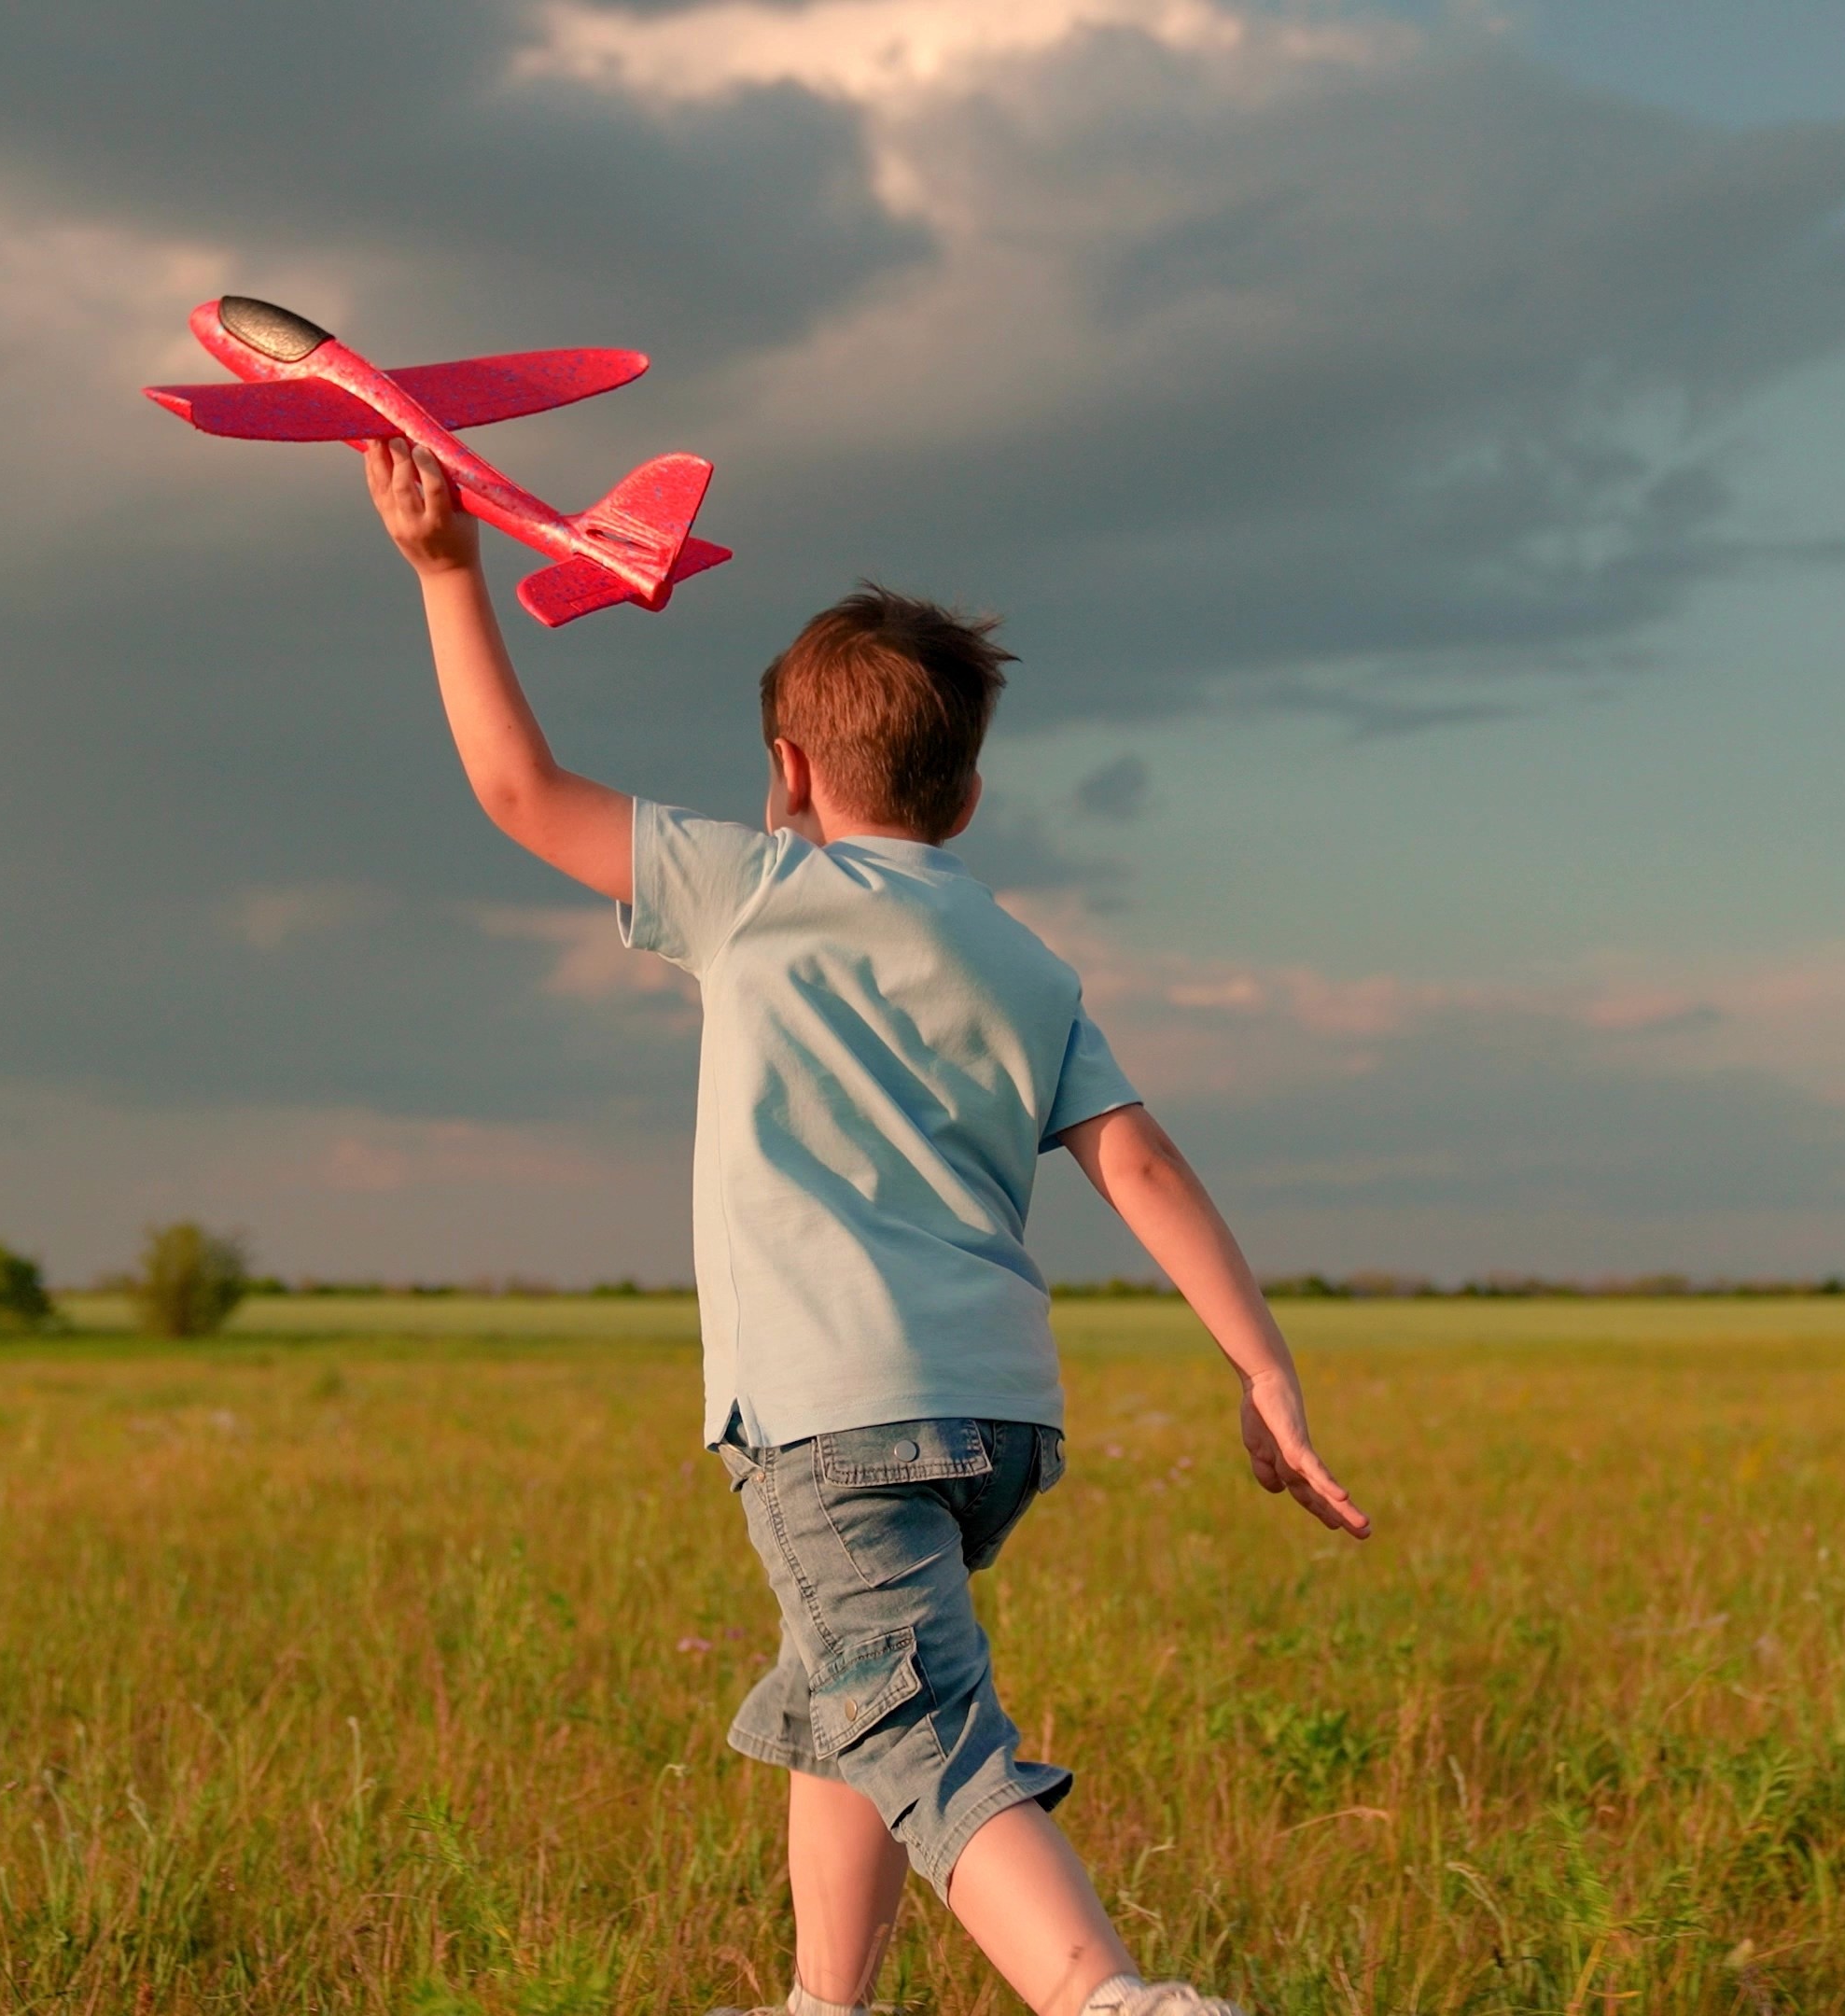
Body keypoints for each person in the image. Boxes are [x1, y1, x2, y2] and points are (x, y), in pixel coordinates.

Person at [356, 440, 1375, 2016]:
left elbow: (515, 788)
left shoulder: (754, 889)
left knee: (921, 1731)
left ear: (785, 770)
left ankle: (1112, 1998)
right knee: (845, 1702)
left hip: (832, 1419)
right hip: (997, 1425)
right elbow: (1147, 1167)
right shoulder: (1029, 961)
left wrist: (443, 572)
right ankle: (826, 2007)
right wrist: (1264, 1369)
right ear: (965, 793)